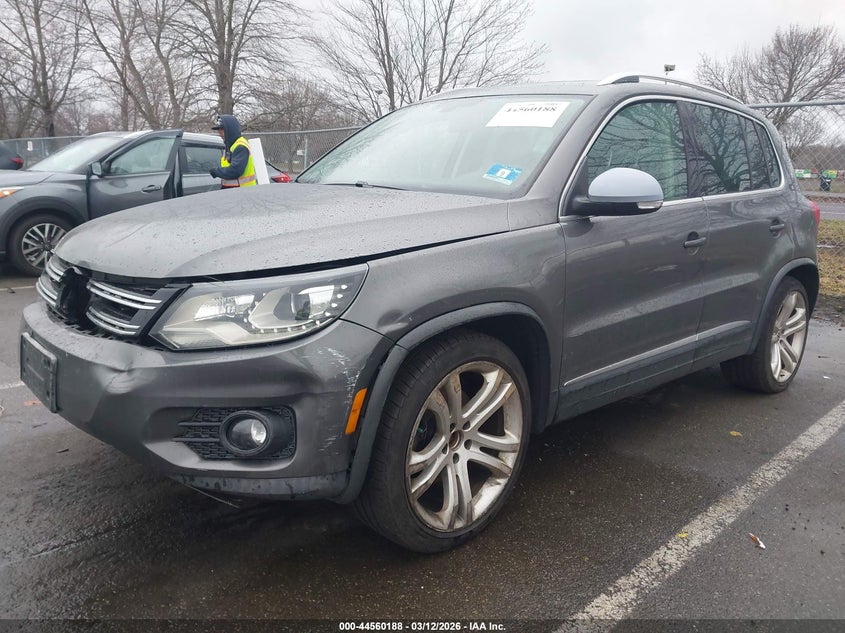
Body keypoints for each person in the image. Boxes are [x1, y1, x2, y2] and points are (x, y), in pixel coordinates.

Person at [209, 114, 257, 188]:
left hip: (243, 192)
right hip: (234, 192)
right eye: (218, 131)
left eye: (221, 130)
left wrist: (217, 172)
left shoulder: (240, 146)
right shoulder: (231, 146)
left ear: (229, 130)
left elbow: (235, 171)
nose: (219, 133)